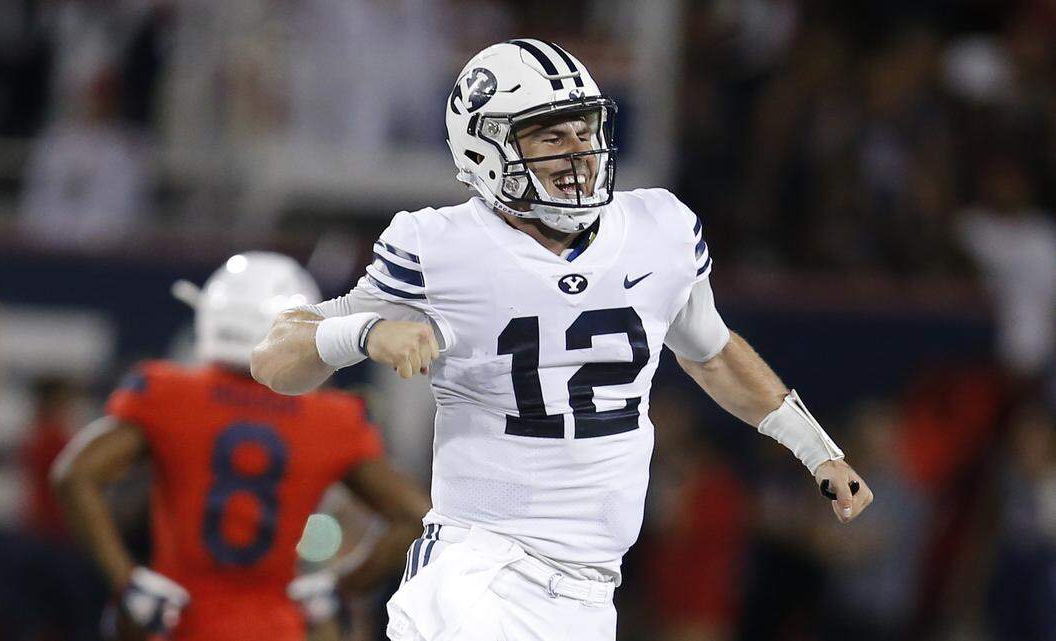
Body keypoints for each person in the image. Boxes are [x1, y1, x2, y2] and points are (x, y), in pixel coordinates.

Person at [251, 40, 874, 641]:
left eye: (584, 129)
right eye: (550, 135)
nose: (577, 151)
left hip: (590, 588)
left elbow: (710, 353)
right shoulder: (438, 246)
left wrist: (818, 451)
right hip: (479, 570)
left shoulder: (660, 229)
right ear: (484, 150)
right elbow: (275, 360)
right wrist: (361, 331)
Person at [51, 252, 430, 641]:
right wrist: (339, 588)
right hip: (277, 627)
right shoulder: (335, 419)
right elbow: (415, 514)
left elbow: (73, 475)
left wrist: (127, 581)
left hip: (177, 621)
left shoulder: (167, 393)